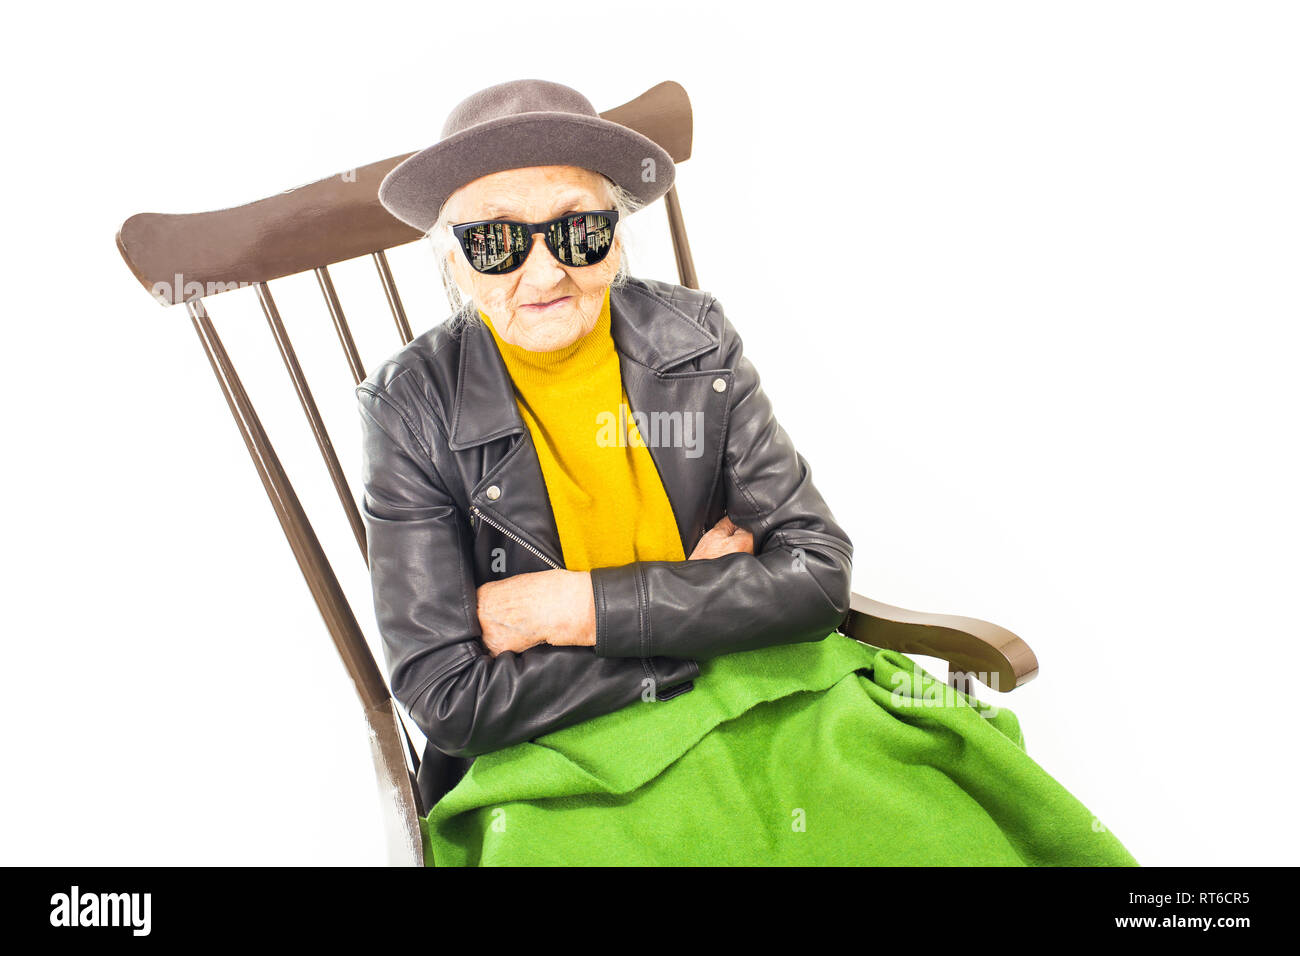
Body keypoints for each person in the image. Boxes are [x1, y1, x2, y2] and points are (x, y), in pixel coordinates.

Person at [357, 78, 1138, 866]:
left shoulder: (692, 337)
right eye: (495, 241)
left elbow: (815, 574)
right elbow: (450, 699)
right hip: (554, 741)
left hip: (773, 684)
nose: (545, 272)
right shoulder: (410, 406)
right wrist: (699, 621)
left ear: (618, 239)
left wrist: (571, 607)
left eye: (578, 230)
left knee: (934, 831)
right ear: (454, 263)